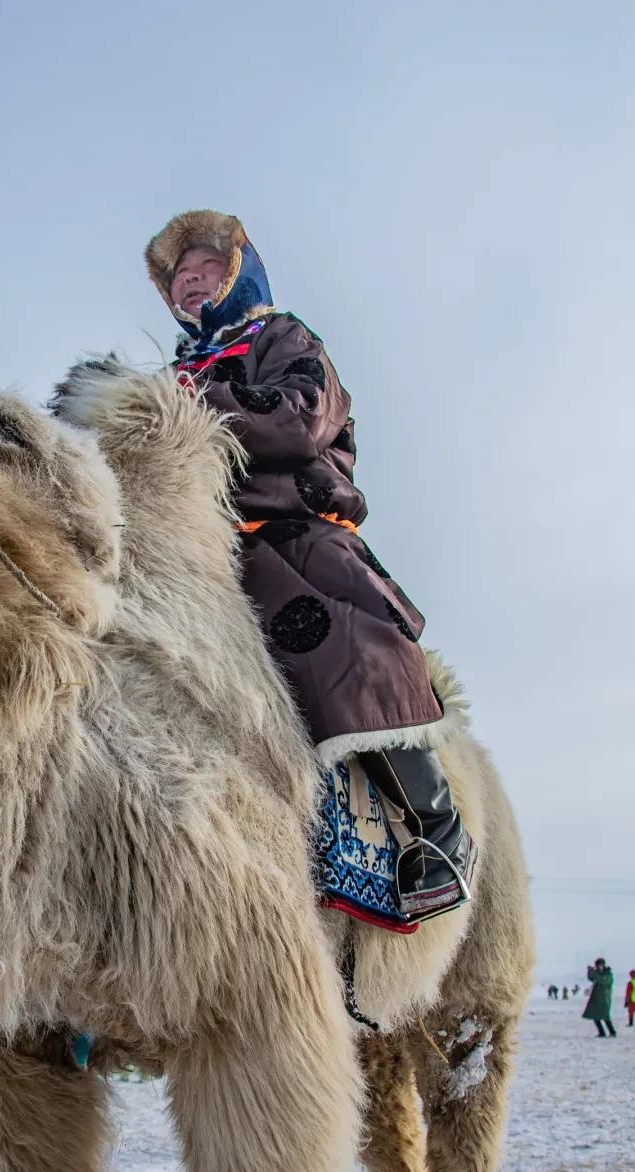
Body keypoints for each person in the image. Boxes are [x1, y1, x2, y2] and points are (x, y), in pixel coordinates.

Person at [144, 210, 475, 923]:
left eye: (205, 269)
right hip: (193, 540)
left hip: (287, 525)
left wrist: (192, 405)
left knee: (350, 644)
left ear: (239, 273)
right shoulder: (166, 375)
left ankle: (436, 830)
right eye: (179, 279)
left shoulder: (281, 337)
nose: (191, 284)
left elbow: (301, 417)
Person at [583, 958, 616, 1037]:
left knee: (605, 1016)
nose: (599, 967)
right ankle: (601, 1032)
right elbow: (591, 978)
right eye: (597, 966)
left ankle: (612, 1032)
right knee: (595, 1015)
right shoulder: (598, 973)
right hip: (596, 998)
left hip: (605, 998)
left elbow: (603, 981)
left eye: (600, 965)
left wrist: (594, 973)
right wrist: (590, 971)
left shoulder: (608, 974)